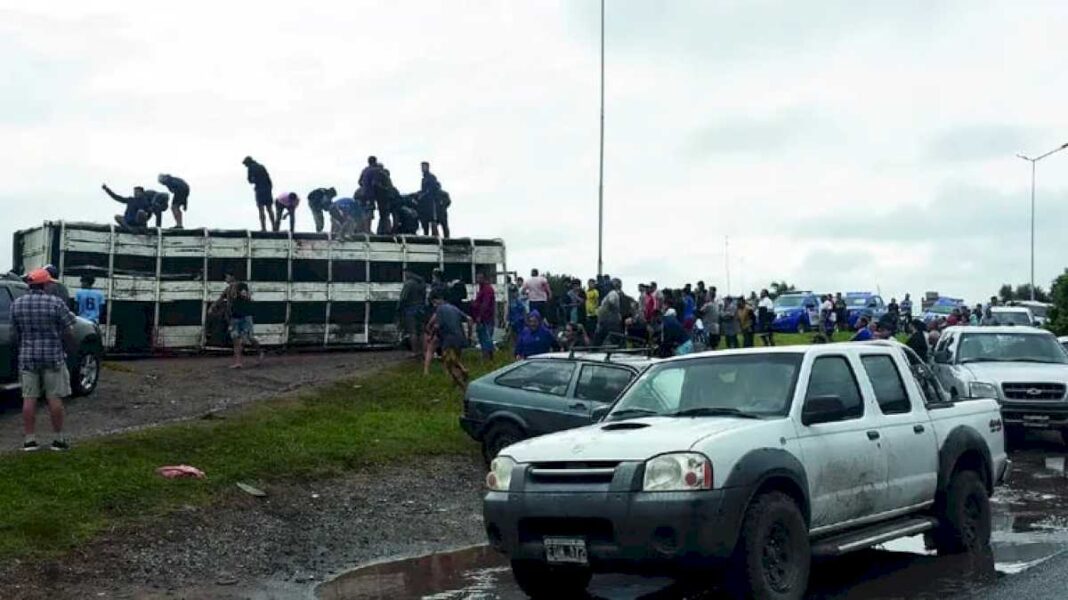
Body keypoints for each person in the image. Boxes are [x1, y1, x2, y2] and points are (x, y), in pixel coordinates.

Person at [11, 268, 77, 451]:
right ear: (46, 284)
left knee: (29, 398)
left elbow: (15, 332)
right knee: (54, 398)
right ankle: (58, 439)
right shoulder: (55, 303)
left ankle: (30, 440)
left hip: (27, 356)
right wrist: (69, 347)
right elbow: (69, 328)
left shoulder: (17, 304)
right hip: (52, 356)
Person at [430, 293, 474, 390]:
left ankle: (462, 383)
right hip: (460, 338)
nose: (434, 305)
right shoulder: (454, 308)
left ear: (438, 300)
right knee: (455, 360)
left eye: (434, 302)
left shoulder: (440, 309)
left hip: (448, 340)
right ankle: (458, 379)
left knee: (448, 364)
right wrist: (470, 336)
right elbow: (469, 319)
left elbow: (436, 326)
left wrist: (431, 336)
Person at [228, 280, 264, 369]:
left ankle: (259, 352)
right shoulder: (229, 291)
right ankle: (238, 362)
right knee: (236, 340)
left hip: (245, 317)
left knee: (249, 338)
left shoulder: (242, 288)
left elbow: (245, 297)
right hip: (236, 317)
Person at [398, 270, 428, 358]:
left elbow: (403, 298)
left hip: (411, 310)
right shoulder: (422, 283)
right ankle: (423, 351)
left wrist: (399, 309)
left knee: (413, 332)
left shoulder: (409, 284)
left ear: (409, 273)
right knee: (422, 332)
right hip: (421, 309)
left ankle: (415, 352)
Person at [243, 156, 275, 232]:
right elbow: (269, 179)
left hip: (259, 189)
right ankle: (274, 227)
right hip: (267, 188)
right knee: (269, 209)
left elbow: (250, 180)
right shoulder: (261, 166)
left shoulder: (250, 168)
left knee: (261, 209)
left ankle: (264, 228)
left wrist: (254, 180)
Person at [471, 272, 497, 360]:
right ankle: (487, 357)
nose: (478, 280)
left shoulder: (487, 289)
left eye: (480, 278)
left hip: (486, 318)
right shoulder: (482, 289)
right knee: (483, 338)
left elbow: (485, 304)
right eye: (477, 278)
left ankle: (487, 358)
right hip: (483, 317)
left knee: (486, 338)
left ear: (485, 278)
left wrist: (480, 316)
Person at [594, 278, 623, 347]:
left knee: (601, 338)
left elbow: (612, 303)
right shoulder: (609, 294)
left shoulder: (613, 293)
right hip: (607, 320)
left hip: (609, 320)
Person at [418, 161, 441, 236]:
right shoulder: (423, 179)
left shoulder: (431, 177)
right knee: (425, 221)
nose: (422, 168)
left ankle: (435, 236)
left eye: (424, 166)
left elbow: (432, 189)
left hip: (430, 202)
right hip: (424, 203)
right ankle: (426, 235)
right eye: (422, 167)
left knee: (432, 220)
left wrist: (424, 194)